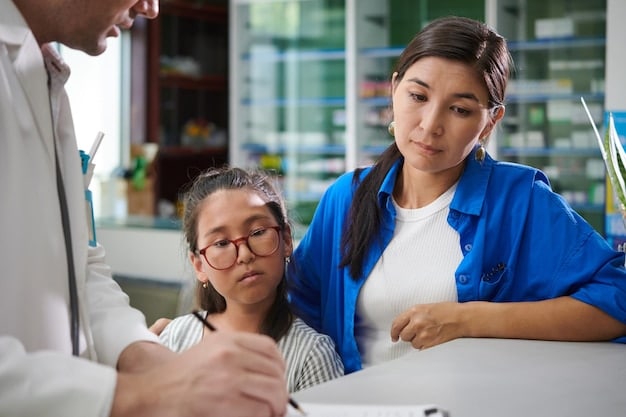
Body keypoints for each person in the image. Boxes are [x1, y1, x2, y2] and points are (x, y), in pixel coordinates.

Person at [286, 15, 626, 375]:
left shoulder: (520, 201)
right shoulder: (347, 198)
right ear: (394, 89)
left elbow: (617, 301)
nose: (430, 124)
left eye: (460, 109)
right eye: (418, 96)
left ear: (491, 121)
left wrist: (470, 320)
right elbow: (297, 306)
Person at [0, 1, 290, 416]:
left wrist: (154, 361)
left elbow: (78, 265)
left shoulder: (42, 74)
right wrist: (137, 395)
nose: (151, 8)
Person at [158, 167, 344, 393]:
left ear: (285, 240)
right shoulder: (177, 336)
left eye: (257, 232)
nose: (245, 254)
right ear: (199, 265)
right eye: (221, 243)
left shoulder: (311, 354)